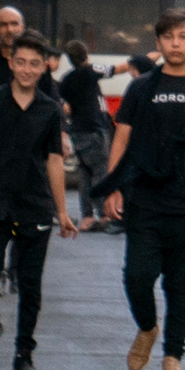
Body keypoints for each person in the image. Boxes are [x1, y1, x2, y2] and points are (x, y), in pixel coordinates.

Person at [99, 9, 185, 370]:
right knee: (137, 276)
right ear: (158, 44)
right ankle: (147, 327)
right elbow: (121, 139)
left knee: (180, 284)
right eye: (168, 37)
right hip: (144, 199)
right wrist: (112, 186)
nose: (175, 43)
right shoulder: (140, 89)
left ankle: (173, 358)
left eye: (182, 36)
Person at [0, 31, 76, 370]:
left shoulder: (50, 110)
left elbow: (55, 161)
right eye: (21, 62)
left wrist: (62, 212)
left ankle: (24, 353)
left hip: (34, 204)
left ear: (44, 68)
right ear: (11, 63)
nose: (26, 69)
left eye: (34, 64)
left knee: (30, 284)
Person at [57, 41, 116, 233]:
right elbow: (117, 68)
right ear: (86, 55)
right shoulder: (89, 72)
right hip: (93, 129)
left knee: (85, 173)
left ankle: (87, 217)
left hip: (78, 130)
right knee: (100, 171)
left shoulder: (67, 79)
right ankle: (103, 214)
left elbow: (61, 101)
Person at [0, 6, 60, 105]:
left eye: (14, 24)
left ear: (23, 27)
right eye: (3, 25)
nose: (10, 30)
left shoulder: (37, 64)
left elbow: (53, 103)